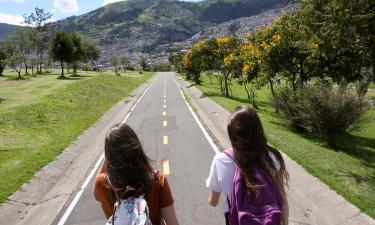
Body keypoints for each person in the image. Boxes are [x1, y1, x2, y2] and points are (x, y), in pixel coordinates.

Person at [206, 106, 289, 225]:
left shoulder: (221, 161)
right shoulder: (272, 157)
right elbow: (282, 199)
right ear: (258, 129)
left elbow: (213, 201)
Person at [93, 123, 180, 225]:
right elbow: (172, 222)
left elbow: (97, 187)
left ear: (109, 157)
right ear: (137, 149)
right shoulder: (158, 181)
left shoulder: (102, 184)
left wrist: (110, 154)